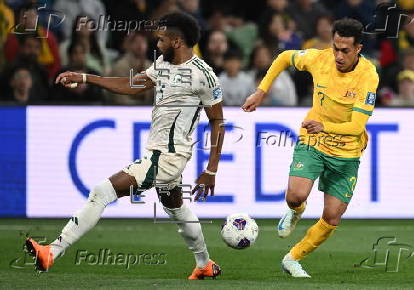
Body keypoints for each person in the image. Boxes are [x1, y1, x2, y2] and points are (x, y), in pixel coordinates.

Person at [25, 12, 224, 280]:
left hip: (167, 158)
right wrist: (86, 78)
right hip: (159, 152)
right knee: (175, 206)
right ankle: (204, 264)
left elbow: (218, 122)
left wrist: (211, 170)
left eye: (162, 39)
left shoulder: (204, 75)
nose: (157, 44)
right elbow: (132, 85)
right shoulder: (162, 65)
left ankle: (52, 251)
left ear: (177, 41)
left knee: (102, 191)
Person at [242, 18, 379, 277]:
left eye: (345, 50)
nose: (338, 55)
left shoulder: (368, 76)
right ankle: (296, 211)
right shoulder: (319, 59)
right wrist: (261, 91)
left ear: (358, 49)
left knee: (332, 217)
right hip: (314, 141)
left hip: (347, 152)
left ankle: (292, 258)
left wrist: (325, 126)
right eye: (335, 47)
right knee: (295, 195)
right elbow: (284, 57)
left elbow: (356, 126)